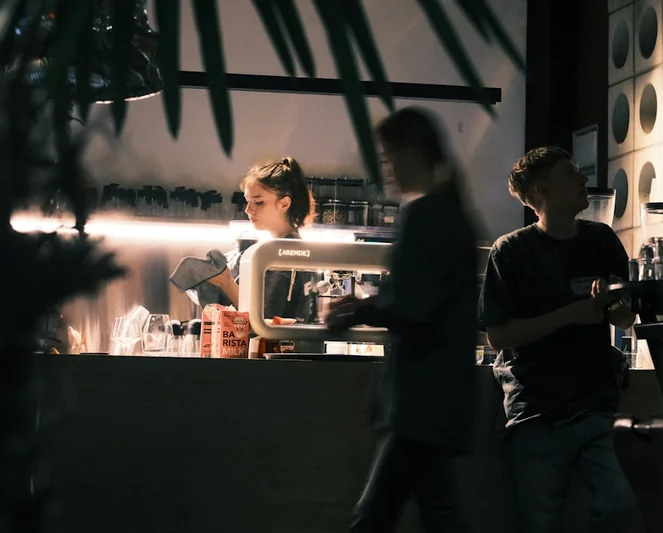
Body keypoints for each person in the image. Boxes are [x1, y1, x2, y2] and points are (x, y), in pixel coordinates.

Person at [325, 107, 477, 533]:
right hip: (440, 397)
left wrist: (355, 310)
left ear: (412, 152)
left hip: (418, 399)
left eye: (388, 156)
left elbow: (412, 307)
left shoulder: (425, 214)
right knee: (428, 511)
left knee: (377, 516)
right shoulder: (452, 213)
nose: (385, 168)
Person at [477, 146, 639, 533]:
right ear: (542, 191)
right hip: (537, 411)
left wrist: (611, 303)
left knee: (621, 505)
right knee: (540, 522)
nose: (583, 179)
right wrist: (572, 314)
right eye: (570, 173)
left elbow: (625, 316)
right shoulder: (510, 251)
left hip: (596, 406)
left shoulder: (601, 240)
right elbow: (499, 336)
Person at [209, 157, 315, 323]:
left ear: (284, 204)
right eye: (247, 201)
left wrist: (227, 282)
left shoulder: (281, 253)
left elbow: (264, 319)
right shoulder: (290, 247)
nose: (248, 209)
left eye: (258, 202)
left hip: (278, 341)